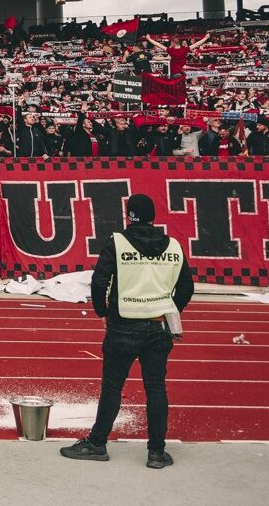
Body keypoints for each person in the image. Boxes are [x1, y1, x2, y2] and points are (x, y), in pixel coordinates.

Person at [61, 193, 193, 469]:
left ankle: (97, 443)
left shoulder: (117, 242)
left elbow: (99, 283)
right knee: (156, 388)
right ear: (153, 216)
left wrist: (104, 313)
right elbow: (186, 288)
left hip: (124, 325)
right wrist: (170, 310)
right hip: (159, 327)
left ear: (129, 215)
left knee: (112, 387)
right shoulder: (174, 246)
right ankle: (157, 452)